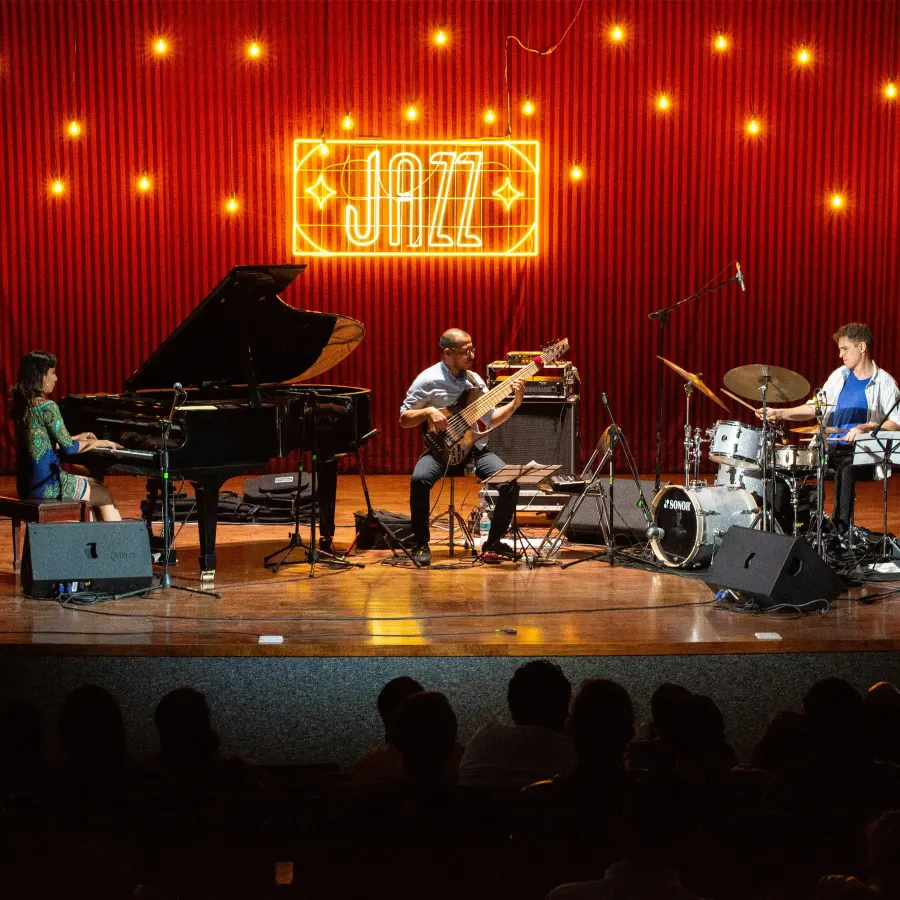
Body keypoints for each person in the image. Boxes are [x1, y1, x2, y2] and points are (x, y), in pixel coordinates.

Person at [756, 323, 900, 535]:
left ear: (862, 347)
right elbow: (816, 407)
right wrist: (780, 412)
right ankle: (783, 528)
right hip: (828, 449)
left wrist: (868, 428)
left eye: (845, 349)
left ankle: (839, 532)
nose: (840, 355)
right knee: (784, 468)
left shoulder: (884, 383)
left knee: (846, 469)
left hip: (862, 453)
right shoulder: (839, 375)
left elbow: (896, 422)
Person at [399, 328, 525, 566]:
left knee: (509, 482)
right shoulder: (427, 379)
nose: (472, 355)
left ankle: (493, 543)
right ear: (447, 353)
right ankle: (420, 544)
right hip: (440, 451)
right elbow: (404, 419)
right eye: (466, 351)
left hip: (473, 449)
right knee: (419, 480)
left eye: (472, 350)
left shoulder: (474, 380)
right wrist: (428, 411)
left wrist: (515, 404)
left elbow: (491, 419)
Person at [10, 350, 122, 520]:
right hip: (48, 485)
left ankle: (94, 535)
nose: (55, 378)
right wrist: (100, 442)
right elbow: (69, 449)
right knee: (103, 493)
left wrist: (77, 437)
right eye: (52, 373)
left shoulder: (23, 406)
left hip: (27, 485)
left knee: (95, 486)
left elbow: (42, 442)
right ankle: (117, 537)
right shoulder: (48, 407)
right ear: (41, 377)